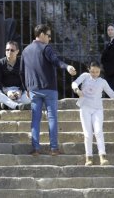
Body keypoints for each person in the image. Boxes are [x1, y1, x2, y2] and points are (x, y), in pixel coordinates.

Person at [20, 24, 77, 156]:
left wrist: (26, 88)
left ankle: (35, 148)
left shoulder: (25, 51)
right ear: (41, 34)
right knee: (52, 118)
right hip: (49, 89)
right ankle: (54, 148)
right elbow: (56, 61)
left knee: (35, 119)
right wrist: (67, 66)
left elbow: (21, 72)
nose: (50, 39)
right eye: (48, 35)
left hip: (33, 89)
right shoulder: (46, 48)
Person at [71, 61, 114, 166]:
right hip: (85, 108)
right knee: (88, 134)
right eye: (92, 71)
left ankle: (103, 156)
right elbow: (74, 83)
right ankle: (88, 158)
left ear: (100, 71)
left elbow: (112, 94)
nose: (94, 74)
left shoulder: (102, 81)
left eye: (97, 72)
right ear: (89, 69)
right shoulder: (85, 76)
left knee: (98, 131)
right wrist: (77, 90)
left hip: (97, 109)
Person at [0, 41, 31, 110]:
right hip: (5, 91)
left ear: (17, 51)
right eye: (7, 50)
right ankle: (16, 105)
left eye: (12, 50)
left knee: (33, 93)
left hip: (19, 91)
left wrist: (20, 91)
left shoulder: (22, 64)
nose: (9, 52)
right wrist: (6, 92)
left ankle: (7, 103)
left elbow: (26, 80)